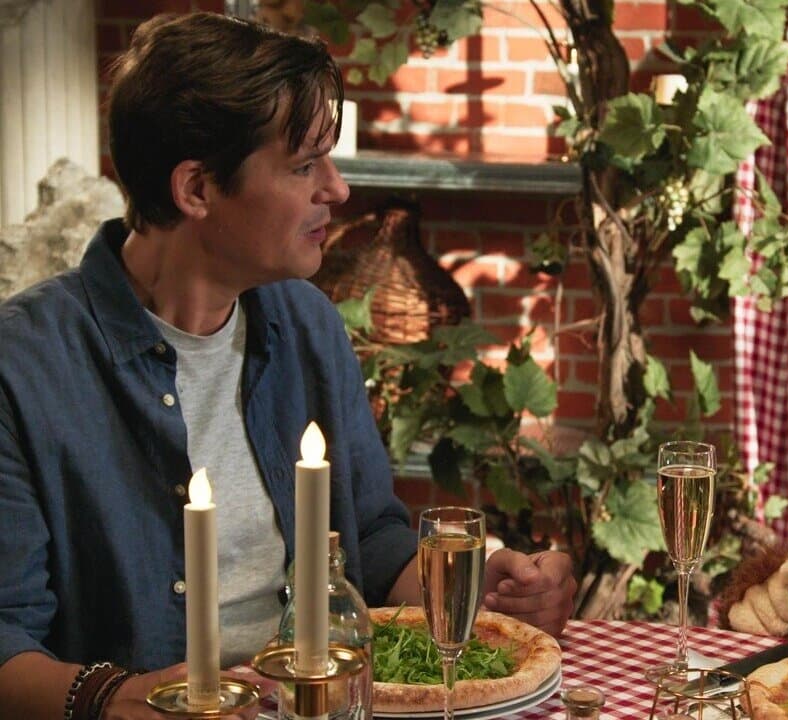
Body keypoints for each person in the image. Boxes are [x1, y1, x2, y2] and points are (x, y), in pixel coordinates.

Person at [0, 12, 576, 719]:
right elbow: (5, 639)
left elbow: (371, 542)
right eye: (304, 166)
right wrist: (109, 697)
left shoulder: (307, 323)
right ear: (197, 190)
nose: (337, 189)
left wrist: (483, 590)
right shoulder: (24, 367)